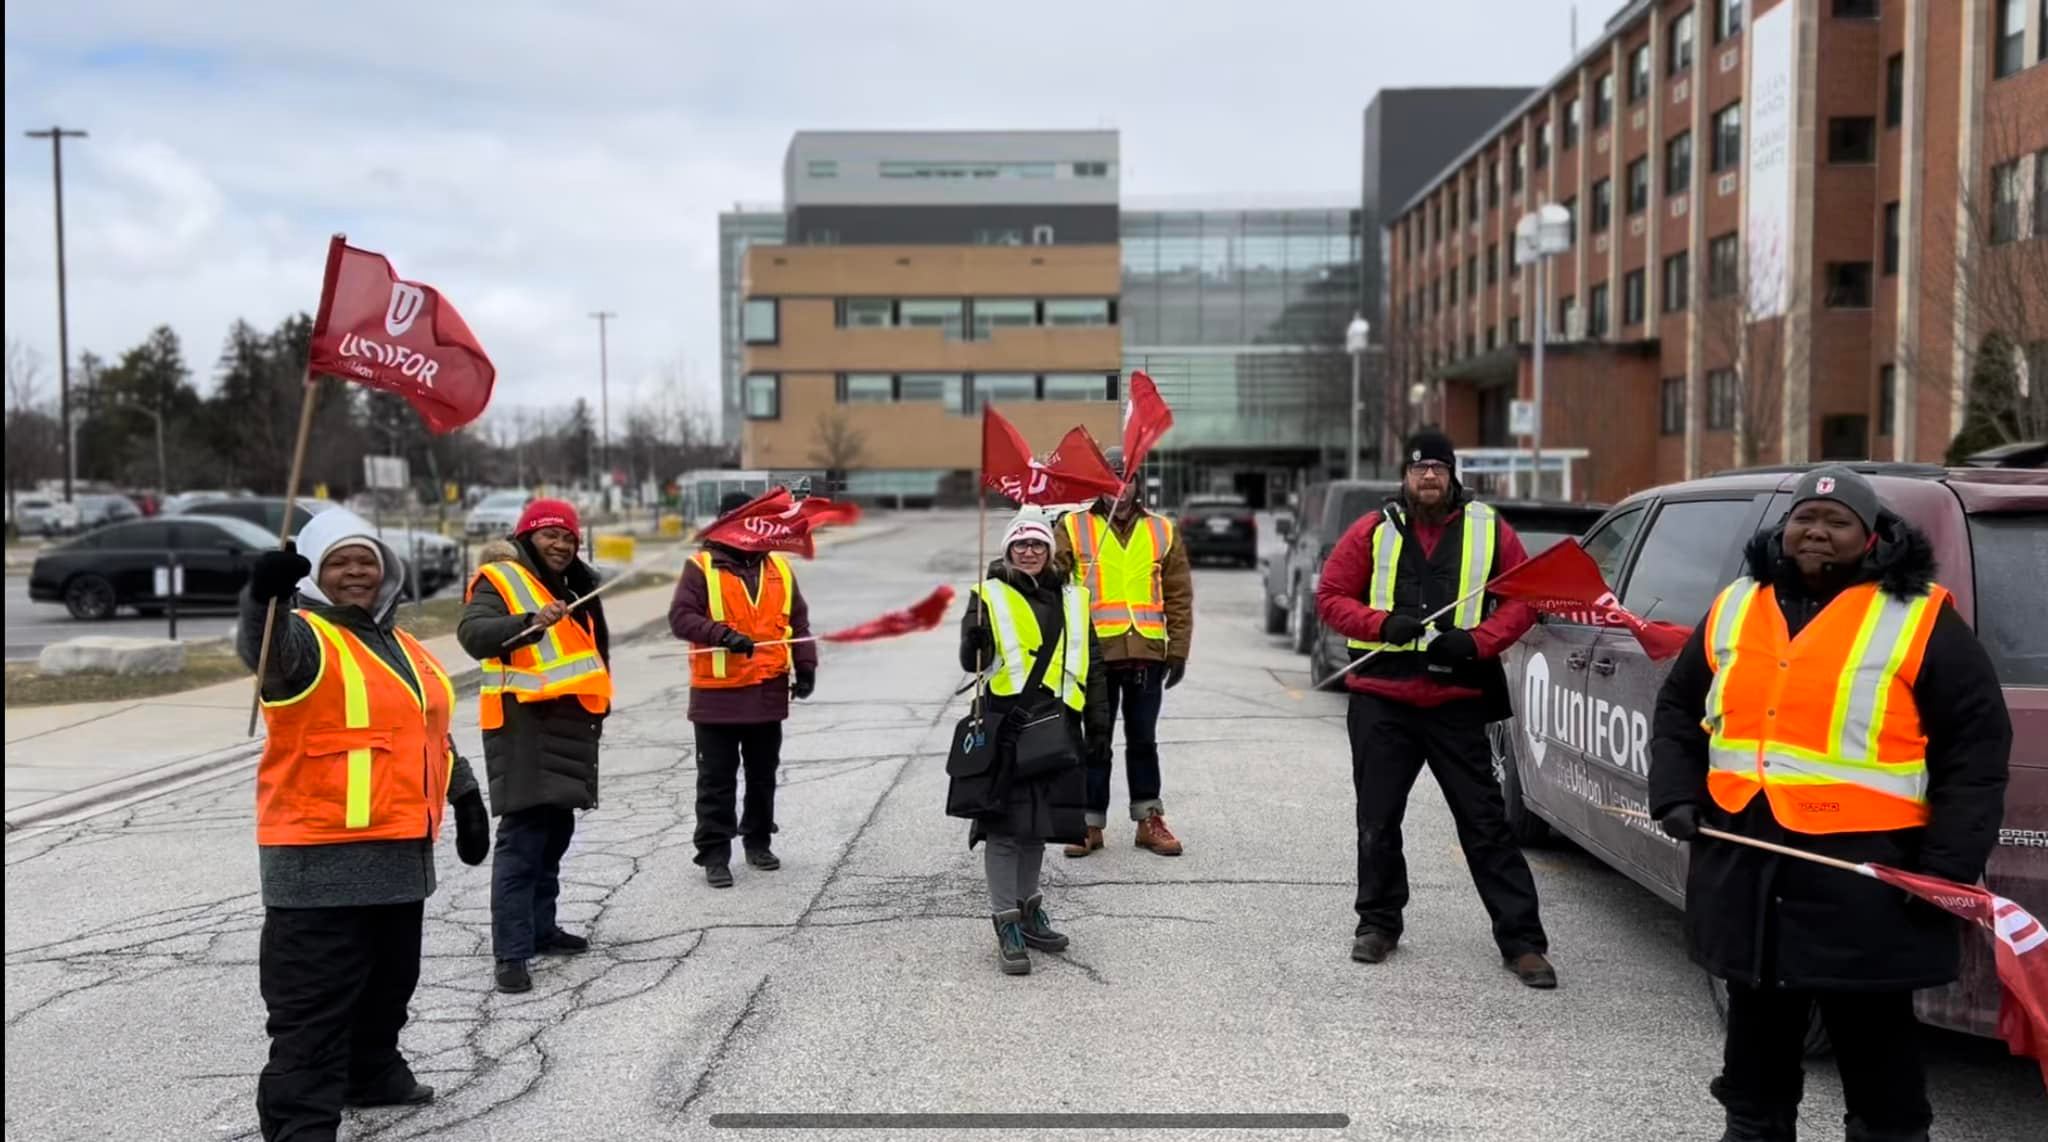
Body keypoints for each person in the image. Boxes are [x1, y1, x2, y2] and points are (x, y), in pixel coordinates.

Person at [1649, 466, 2011, 1142]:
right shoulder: (1736, 603)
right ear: (1785, 530)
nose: (1816, 531)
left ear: (1870, 537)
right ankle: (1754, 1128)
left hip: (1865, 880)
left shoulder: (1918, 615)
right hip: (1749, 866)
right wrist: (1674, 791)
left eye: (1837, 521)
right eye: (1803, 520)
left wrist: (1949, 864)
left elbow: (1977, 747)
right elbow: (1676, 708)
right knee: (1755, 1047)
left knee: (1877, 1052)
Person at [239, 508, 490, 1141]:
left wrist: (464, 794)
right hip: (319, 864)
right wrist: (260, 598)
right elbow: (262, 652)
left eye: (367, 560)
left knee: (388, 990)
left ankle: (372, 1072)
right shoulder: (303, 636)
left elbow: (424, 730)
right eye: (340, 562)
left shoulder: (399, 642)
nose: (356, 572)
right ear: (317, 575)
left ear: (387, 570)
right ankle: (301, 1128)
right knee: (312, 1015)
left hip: (401, 860)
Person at [1314, 428, 1555, 987]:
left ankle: (1522, 942)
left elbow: (1523, 598)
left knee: (1486, 823)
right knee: (1377, 820)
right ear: (1405, 475)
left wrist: (1478, 642)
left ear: (1452, 476)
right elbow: (1331, 597)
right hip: (1383, 700)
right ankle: (1377, 923)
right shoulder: (1372, 529)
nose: (1429, 478)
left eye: (1439, 470)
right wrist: (1381, 625)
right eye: (1420, 469)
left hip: (1456, 700)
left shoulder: (1487, 527)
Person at [457, 499, 613, 996]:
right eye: (551, 535)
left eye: (569, 537)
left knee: (554, 836)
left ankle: (542, 930)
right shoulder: (500, 579)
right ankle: (511, 952)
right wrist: (529, 620)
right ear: (527, 537)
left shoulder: (574, 584)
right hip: (523, 728)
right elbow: (474, 634)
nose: (562, 545)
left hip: (567, 726)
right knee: (522, 843)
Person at [953, 513, 1098, 974]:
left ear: (1050, 551)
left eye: (1037, 544)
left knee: (1038, 827)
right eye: (1020, 545)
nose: (1029, 552)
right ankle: (1007, 920)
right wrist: (974, 640)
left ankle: (1029, 908)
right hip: (1010, 725)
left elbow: (1092, 665)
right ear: (1007, 550)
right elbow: (971, 659)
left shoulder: (1075, 598)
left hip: (1058, 725)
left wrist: (1097, 724)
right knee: (1005, 828)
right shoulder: (989, 594)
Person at [669, 490, 817, 888]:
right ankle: (715, 853)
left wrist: (805, 665)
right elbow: (681, 618)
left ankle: (758, 841)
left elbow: (798, 624)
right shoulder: (700, 567)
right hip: (717, 696)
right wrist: (721, 635)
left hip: (767, 692)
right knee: (716, 780)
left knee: (762, 775)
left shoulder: (780, 570)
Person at [1053, 445, 1194, 857]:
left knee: (1143, 740)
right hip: (1094, 653)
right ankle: (1089, 823)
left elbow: (1178, 596)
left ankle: (1148, 819)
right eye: (1110, 477)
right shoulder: (1074, 527)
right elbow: (1051, 579)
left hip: (1146, 653)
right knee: (1095, 741)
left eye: (1126, 476)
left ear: (1137, 482)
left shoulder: (1162, 530)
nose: (1119, 485)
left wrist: (1179, 649)